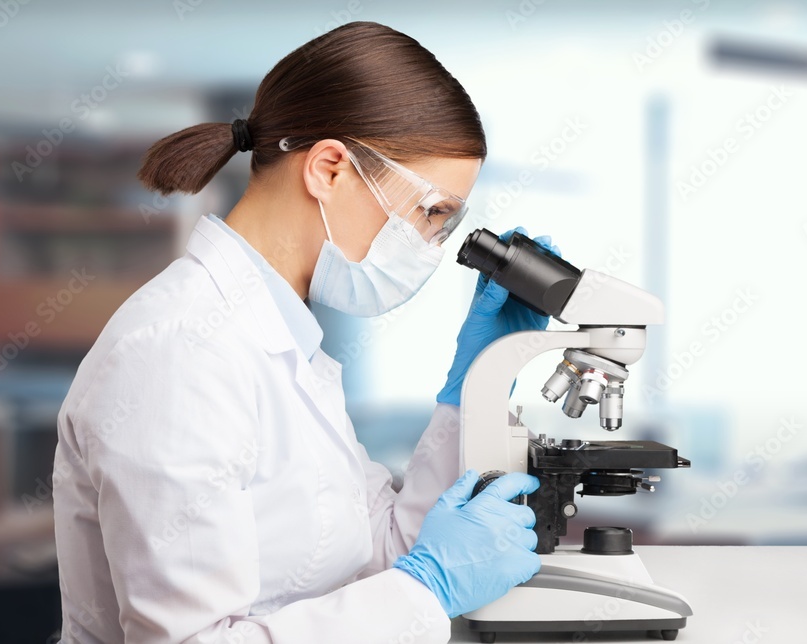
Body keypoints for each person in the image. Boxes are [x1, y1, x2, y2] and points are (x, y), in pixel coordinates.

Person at [52, 21, 561, 643]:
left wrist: (475, 387)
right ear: (329, 169)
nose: (435, 245)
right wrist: (427, 588)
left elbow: (377, 552)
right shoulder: (180, 351)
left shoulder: (283, 342)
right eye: (432, 213)